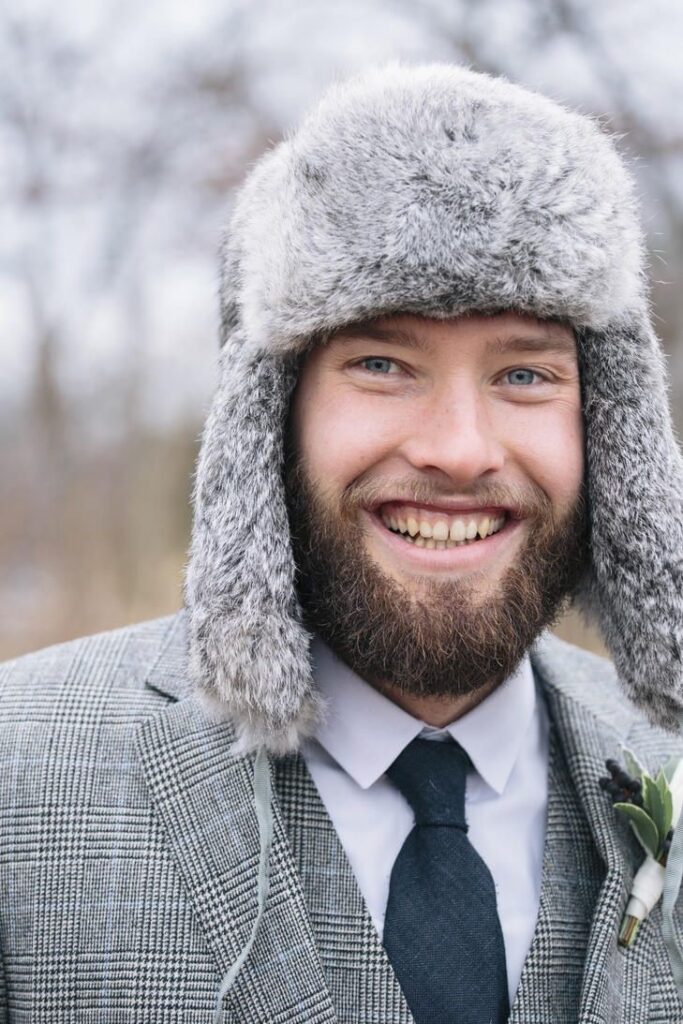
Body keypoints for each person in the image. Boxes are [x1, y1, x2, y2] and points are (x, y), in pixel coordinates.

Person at [1, 62, 682, 1024]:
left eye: (525, 375)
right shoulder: (17, 774)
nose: (457, 450)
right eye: (380, 363)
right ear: (269, 417)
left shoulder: (663, 756)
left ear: (610, 428)